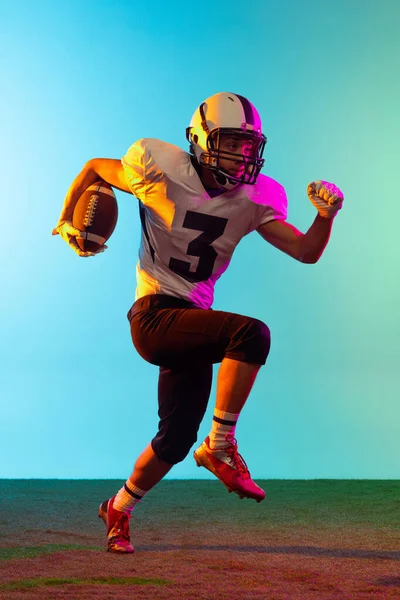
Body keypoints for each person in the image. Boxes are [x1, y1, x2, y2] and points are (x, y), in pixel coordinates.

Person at [52, 92, 344, 554]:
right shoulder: (157, 167)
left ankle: (118, 509)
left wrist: (324, 217)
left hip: (193, 324)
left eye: (249, 146)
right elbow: (93, 166)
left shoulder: (255, 196)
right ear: (202, 140)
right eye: (232, 142)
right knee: (250, 334)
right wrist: (68, 218)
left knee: (174, 439)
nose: (243, 155)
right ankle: (221, 445)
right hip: (153, 315)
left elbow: (306, 252)